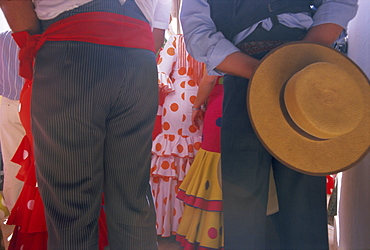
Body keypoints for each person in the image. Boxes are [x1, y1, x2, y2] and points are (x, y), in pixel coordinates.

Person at [180, 0, 358, 249]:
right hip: (249, 80)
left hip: (302, 77)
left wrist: (297, 63)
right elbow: (197, 31)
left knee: (303, 202)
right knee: (243, 204)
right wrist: (274, 71)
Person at [0, 0, 170, 249]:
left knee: (71, 209)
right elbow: (157, 33)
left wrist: (38, 47)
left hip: (70, 45)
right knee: (132, 199)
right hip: (138, 58)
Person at [150, 18, 204, 237]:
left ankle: (167, 223)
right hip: (202, 100)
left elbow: (160, 73)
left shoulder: (177, 42)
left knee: (170, 163)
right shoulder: (207, 42)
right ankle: (192, 226)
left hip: (176, 105)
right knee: (194, 159)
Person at [0, 30, 26, 249]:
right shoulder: (42, 32)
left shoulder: (2, 38)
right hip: (34, 103)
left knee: (12, 165)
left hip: (7, 103)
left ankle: (16, 220)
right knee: (41, 167)